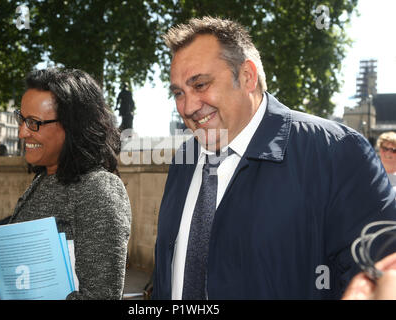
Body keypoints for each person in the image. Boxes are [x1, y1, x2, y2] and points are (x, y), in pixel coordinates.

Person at [152, 17, 396, 300]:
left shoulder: (336, 154)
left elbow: (381, 280)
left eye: (201, 84)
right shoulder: (184, 159)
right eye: (179, 93)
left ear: (247, 77)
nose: (188, 106)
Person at [0, 68, 132, 300]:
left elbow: (100, 296)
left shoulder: (98, 190)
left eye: (34, 123)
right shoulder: (42, 180)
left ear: (73, 126)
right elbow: (7, 280)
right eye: (21, 118)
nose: (22, 133)